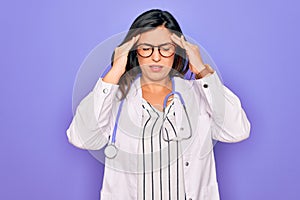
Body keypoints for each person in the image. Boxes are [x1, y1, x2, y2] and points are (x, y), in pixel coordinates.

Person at [66, 9, 250, 200]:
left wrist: (202, 71)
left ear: (177, 51)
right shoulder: (116, 99)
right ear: (134, 51)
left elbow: (237, 130)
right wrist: (116, 70)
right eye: (146, 48)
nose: (156, 57)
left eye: (165, 48)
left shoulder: (200, 95)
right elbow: (82, 138)